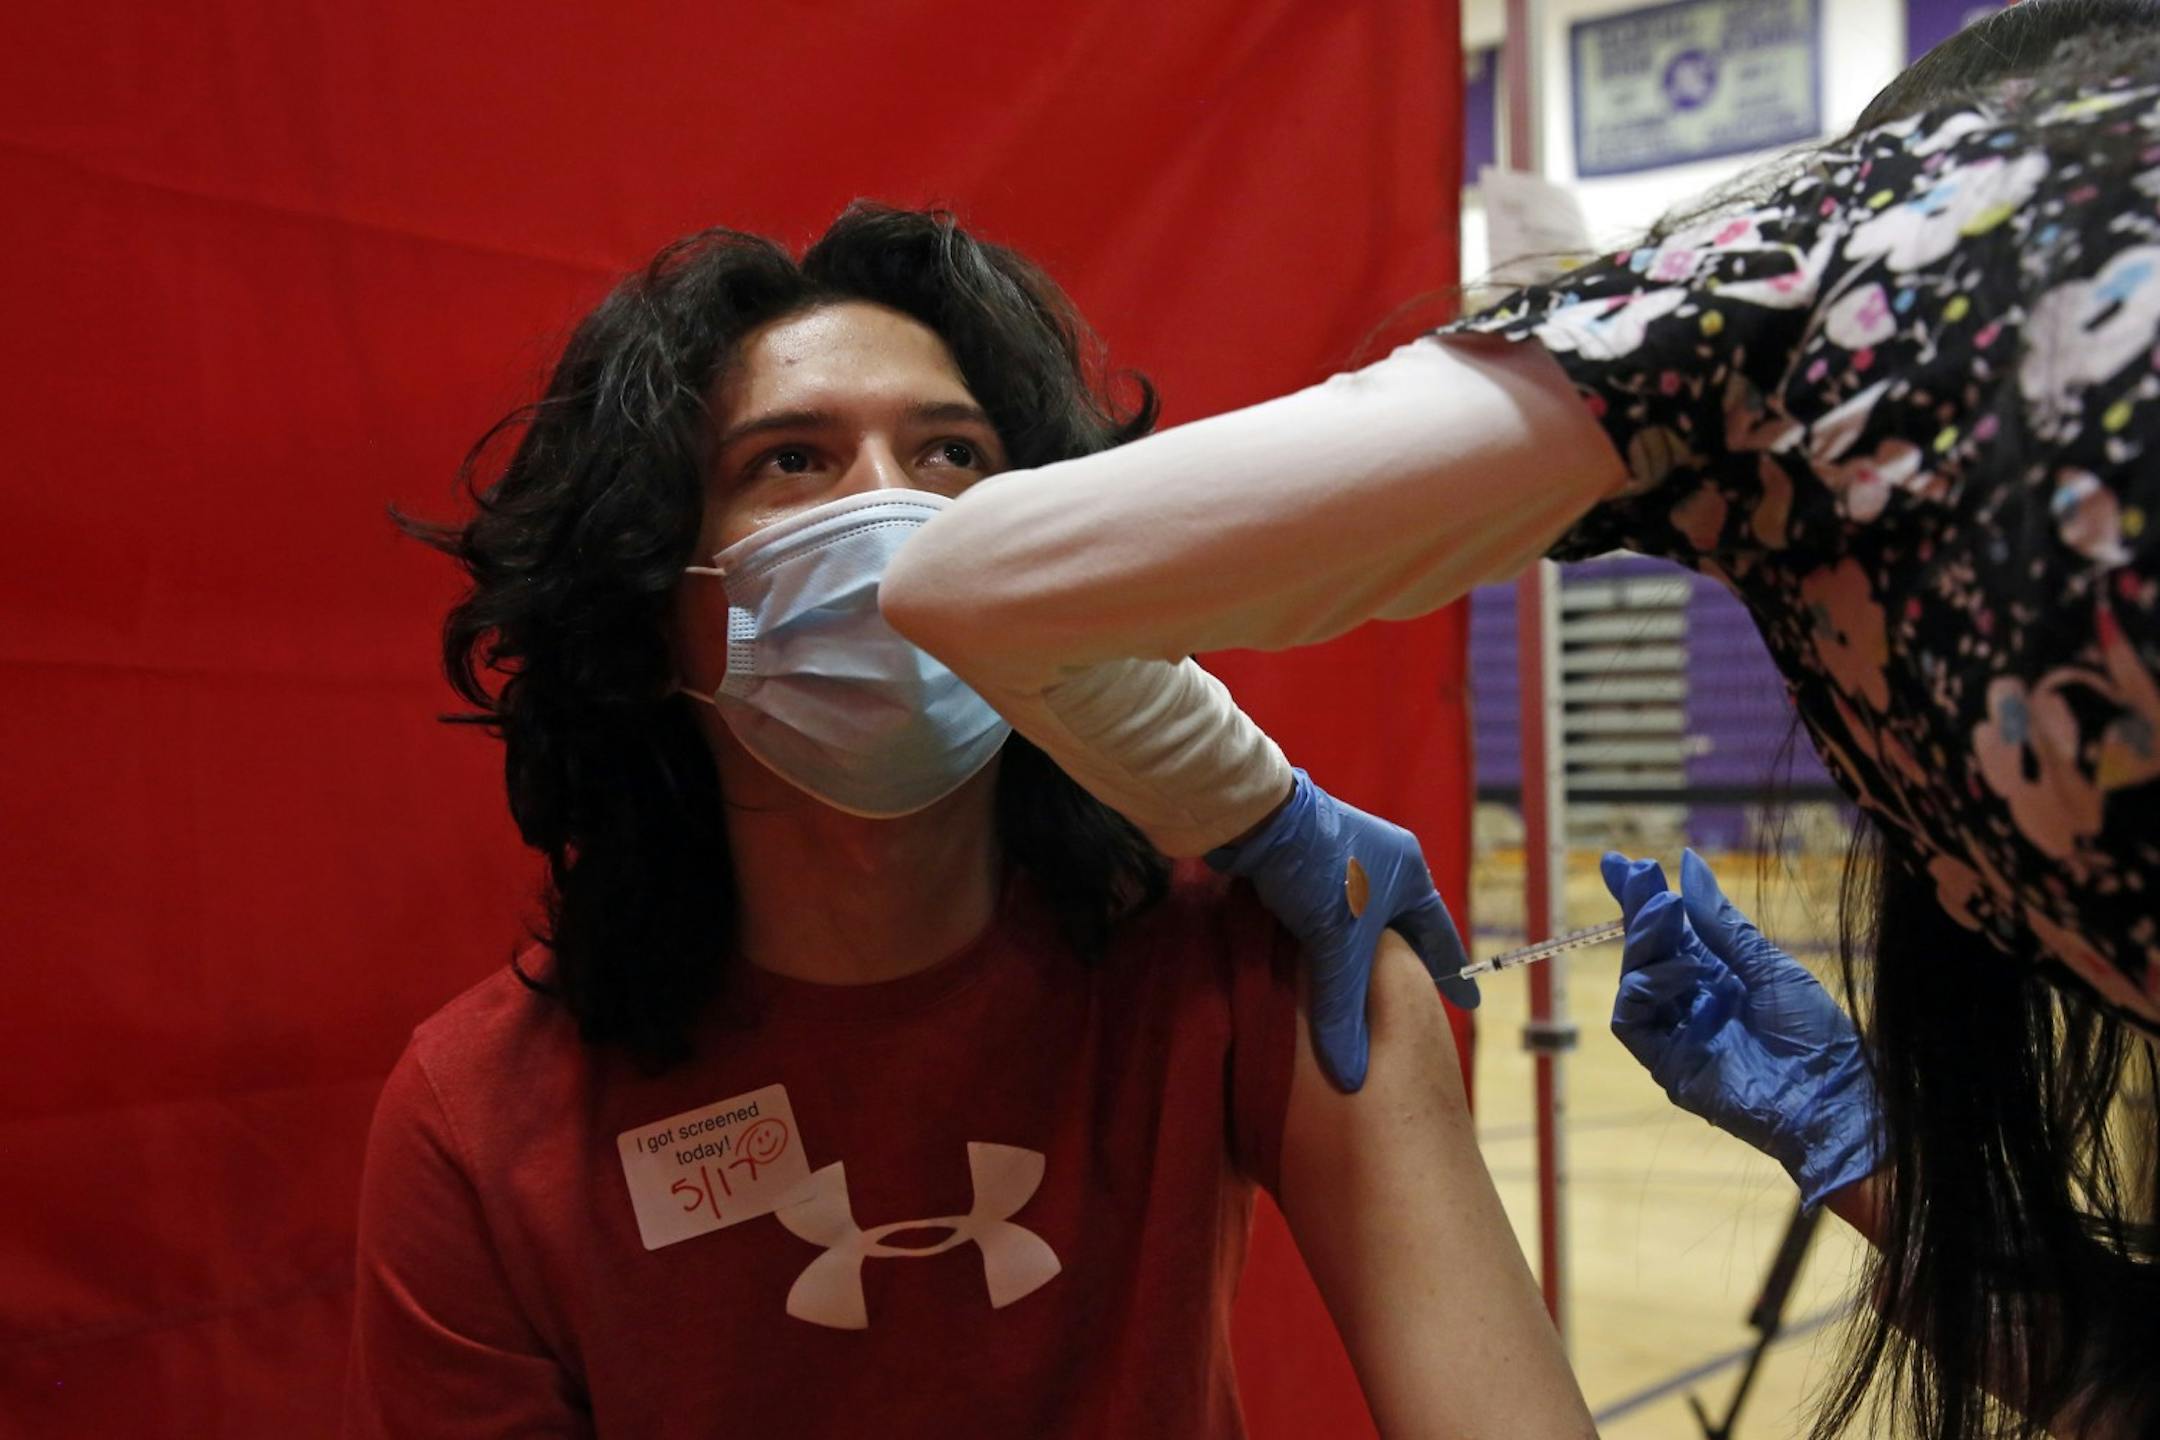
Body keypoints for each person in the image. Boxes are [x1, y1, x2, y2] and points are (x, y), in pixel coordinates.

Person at [878, 4, 2160, 1435]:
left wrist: (1271, 817)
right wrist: (1874, 1165)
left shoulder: (1875, 250)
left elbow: (964, 577)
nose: (871, 516)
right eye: (791, 460)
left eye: (942, 452)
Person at [345, 205, 1595, 1439]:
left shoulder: (1278, 977)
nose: (898, 525)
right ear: (658, 601)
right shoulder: (484, 1127)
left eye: (953, 456)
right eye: (791, 461)